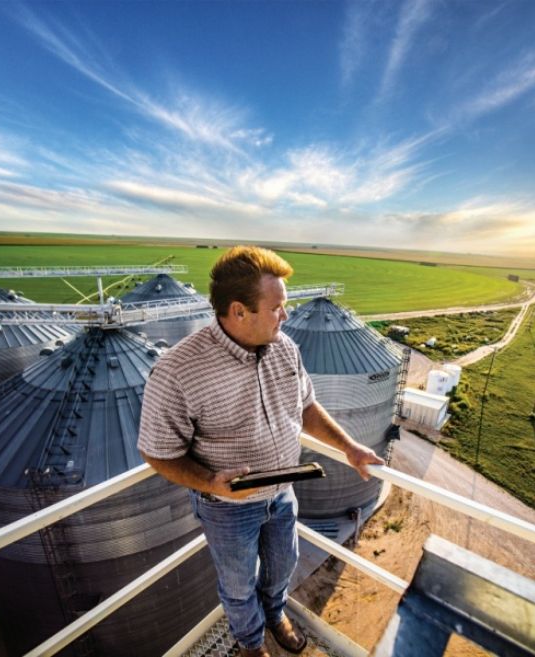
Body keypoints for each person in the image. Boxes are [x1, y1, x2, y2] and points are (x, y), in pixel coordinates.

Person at [137, 246, 383, 657]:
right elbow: (158, 453)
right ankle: (251, 645)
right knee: (237, 585)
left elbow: (306, 407)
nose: (285, 316)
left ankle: (276, 614)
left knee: (282, 567)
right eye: (277, 307)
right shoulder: (178, 371)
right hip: (228, 507)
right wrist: (209, 483)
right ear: (238, 311)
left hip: (283, 492)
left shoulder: (285, 348)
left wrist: (350, 447)